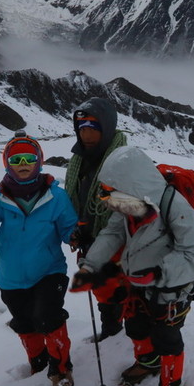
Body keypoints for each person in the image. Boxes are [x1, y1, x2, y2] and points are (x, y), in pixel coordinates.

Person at [70, 146, 194, 386]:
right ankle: (148, 362)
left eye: (112, 189)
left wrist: (159, 274)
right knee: (136, 325)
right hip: (138, 283)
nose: (107, 196)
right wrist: (91, 265)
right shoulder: (129, 205)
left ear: (131, 183)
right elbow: (111, 233)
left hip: (171, 289)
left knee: (166, 338)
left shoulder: (175, 207)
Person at [0, 133, 79, 386]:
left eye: (30, 158)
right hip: (12, 278)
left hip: (49, 271)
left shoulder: (56, 197)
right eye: (17, 159)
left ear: (39, 162)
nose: (23, 163)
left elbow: (68, 231)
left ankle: (61, 368)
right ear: (7, 163)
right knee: (25, 323)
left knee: (48, 317)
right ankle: (38, 363)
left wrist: (77, 235)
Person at [63, 98, 129, 341]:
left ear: (106, 126)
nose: (86, 132)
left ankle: (118, 329)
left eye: (93, 125)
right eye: (81, 127)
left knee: (113, 284)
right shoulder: (78, 160)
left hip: (116, 236)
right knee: (101, 285)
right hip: (88, 235)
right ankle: (113, 327)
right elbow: (73, 195)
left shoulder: (123, 158)